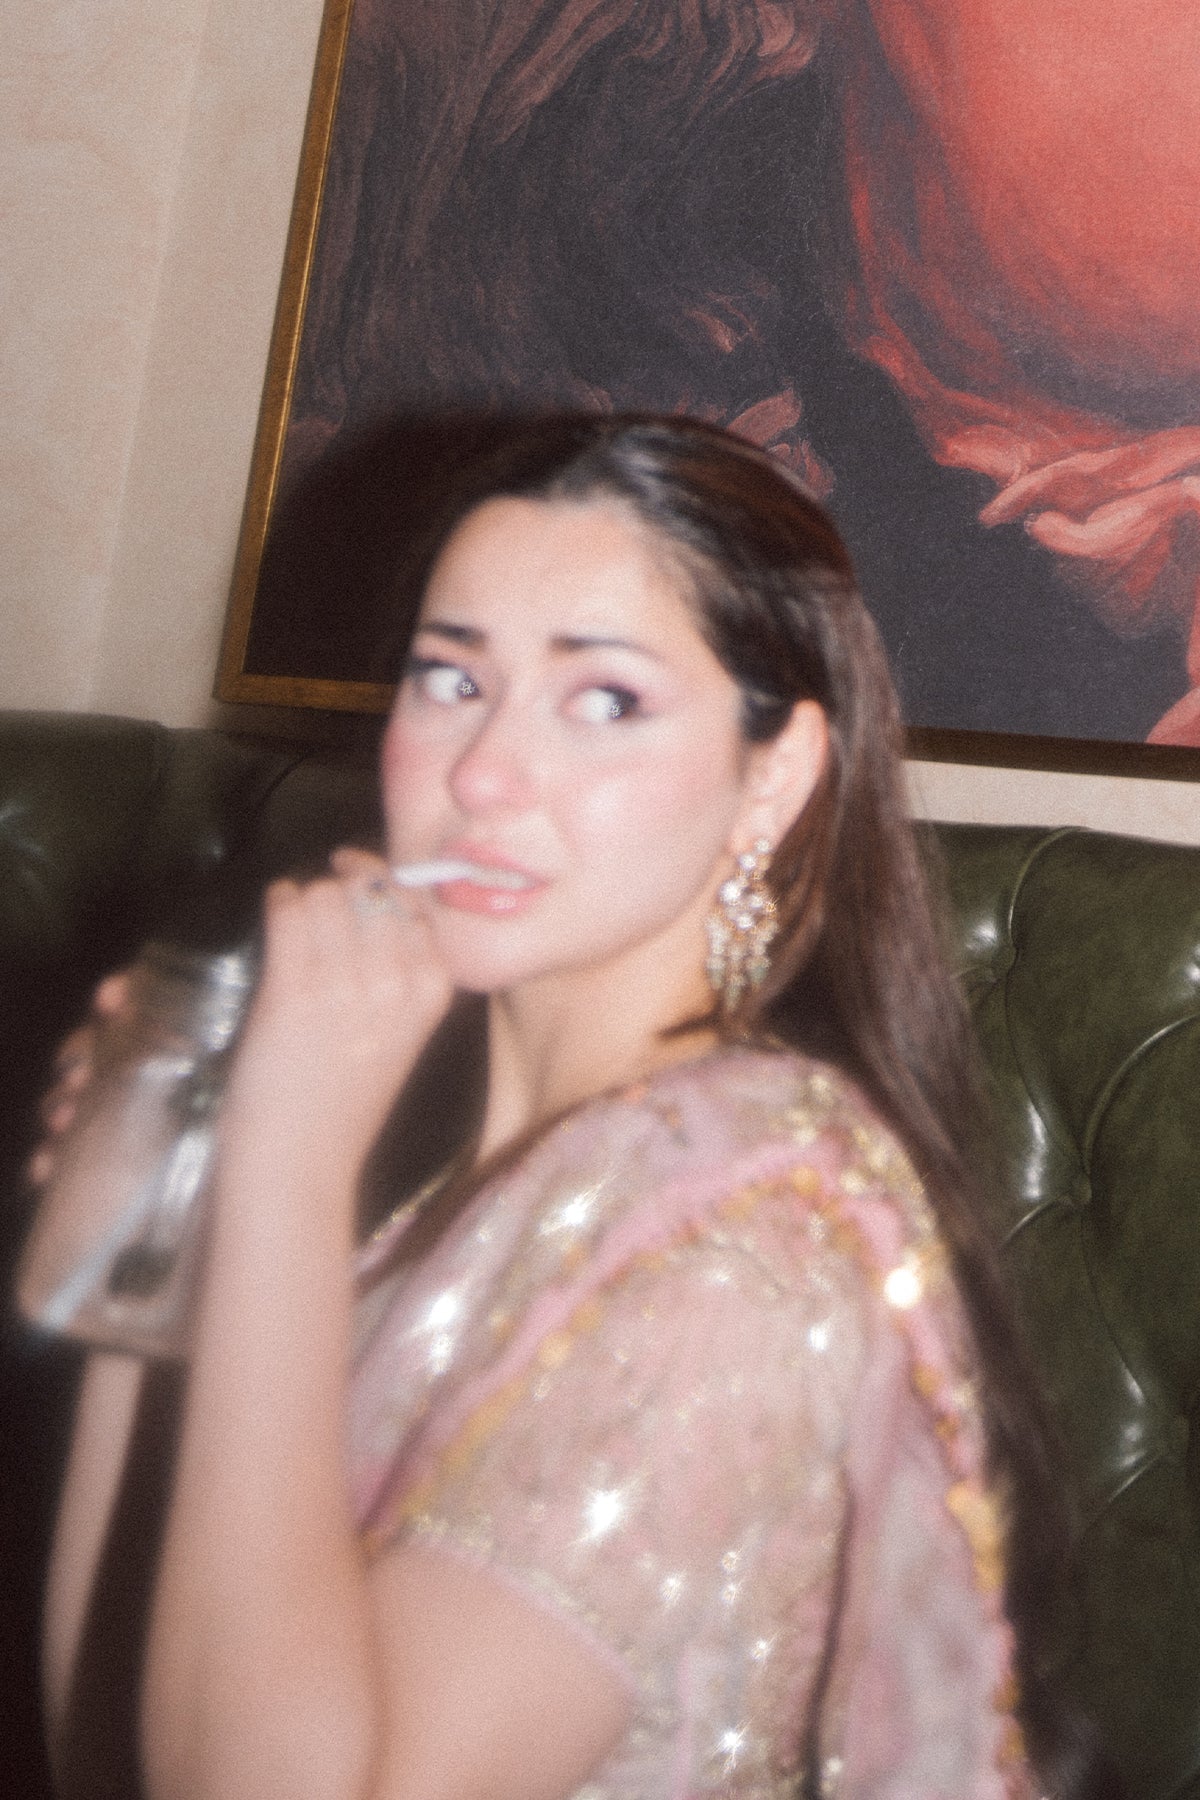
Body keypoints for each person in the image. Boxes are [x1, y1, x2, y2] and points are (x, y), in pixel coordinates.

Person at [37, 415, 1115, 1799]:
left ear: (774, 778)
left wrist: (285, 1166)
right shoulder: (461, 1179)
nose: (482, 773)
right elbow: (110, 1747)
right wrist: (149, 1245)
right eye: (450, 678)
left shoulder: (749, 1245)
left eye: (603, 700)